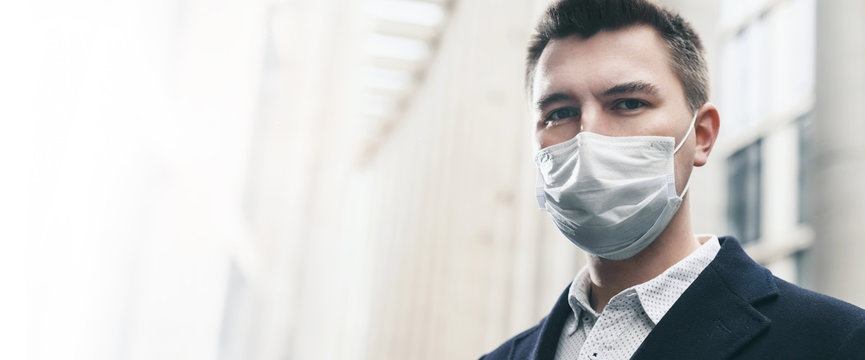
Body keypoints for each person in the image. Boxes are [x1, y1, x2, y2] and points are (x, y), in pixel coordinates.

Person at [480, 0, 865, 359]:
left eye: (629, 103)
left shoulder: (837, 341)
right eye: (560, 112)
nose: (587, 136)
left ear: (701, 135)